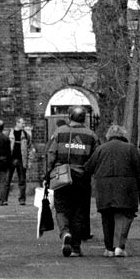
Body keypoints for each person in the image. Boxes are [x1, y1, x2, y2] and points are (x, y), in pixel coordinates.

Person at [83, 124, 140, 257]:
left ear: (108, 136)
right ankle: (119, 246)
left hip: (104, 188)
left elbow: (88, 167)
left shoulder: (100, 149)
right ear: (123, 135)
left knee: (107, 216)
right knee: (124, 215)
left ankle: (109, 248)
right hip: (126, 188)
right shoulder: (130, 148)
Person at [44, 106, 98, 257]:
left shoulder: (59, 132)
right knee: (79, 212)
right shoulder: (91, 135)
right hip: (81, 178)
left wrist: (49, 173)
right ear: (84, 118)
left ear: (69, 117)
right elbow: (95, 158)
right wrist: (87, 170)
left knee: (61, 208)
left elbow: (50, 154)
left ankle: (65, 232)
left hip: (62, 176)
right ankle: (75, 247)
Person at [7, 117, 34, 205]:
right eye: (22, 123)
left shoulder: (26, 134)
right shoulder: (9, 133)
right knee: (7, 180)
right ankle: (4, 199)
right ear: (17, 123)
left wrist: (29, 161)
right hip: (11, 159)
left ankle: (22, 199)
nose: (24, 125)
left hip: (22, 159)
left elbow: (30, 148)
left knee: (22, 181)